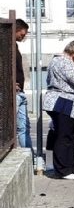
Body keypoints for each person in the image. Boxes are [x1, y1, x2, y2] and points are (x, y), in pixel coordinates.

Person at [43, 40, 74, 180]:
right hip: (62, 102)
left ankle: (71, 168)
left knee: (70, 136)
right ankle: (62, 170)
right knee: (63, 136)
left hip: (66, 102)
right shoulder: (63, 61)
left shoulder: (63, 61)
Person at [14, 18, 32, 153]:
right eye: (22, 33)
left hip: (20, 92)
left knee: (24, 127)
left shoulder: (14, 45)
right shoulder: (5, 44)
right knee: (8, 128)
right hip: (12, 93)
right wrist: (8, 83)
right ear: (16, 30)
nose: (24, 36)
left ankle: (29, 156)